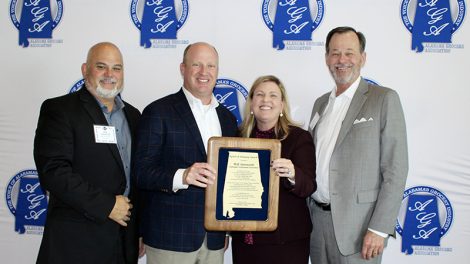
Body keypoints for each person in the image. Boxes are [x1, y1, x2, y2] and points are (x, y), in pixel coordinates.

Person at [33, 42, 143, 263]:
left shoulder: (134, 116)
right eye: (101, 66)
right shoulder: (60, 110)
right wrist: (107, 205)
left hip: (123, 241)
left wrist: (139, 230)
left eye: (117, 68)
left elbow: (136, 177)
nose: (110, 74)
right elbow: (53, 172)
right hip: (75, 243)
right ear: (85, 69)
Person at [308, 26, 408, 264]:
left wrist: (379, 228)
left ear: (362, 58)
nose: (342, 60)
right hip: (316, 224)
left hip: (360, 229)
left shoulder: (383, 99)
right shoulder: (320, 104)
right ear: (326, 59)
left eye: (349, 53)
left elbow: (396, 169)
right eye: (335, 53)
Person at [134, 42, 238, 264]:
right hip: (170, 237)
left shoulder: (228, 119)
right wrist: (182, 176)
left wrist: (227, 228)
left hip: (214, 238)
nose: (204, 72)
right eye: (196, 65)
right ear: (183, 69)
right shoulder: (158, 112)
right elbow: (141, 172)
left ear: (217, 72)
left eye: (211, 66)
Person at [231, 75, 316, 264]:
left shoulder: (298, 138)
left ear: (282, 104)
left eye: (273, 95)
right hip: (245, 241)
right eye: (259, 94)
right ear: (251, 103)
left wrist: (293, 173)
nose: (266, 100)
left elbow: (309, 185)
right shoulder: (237, 138)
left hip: (285, 242)